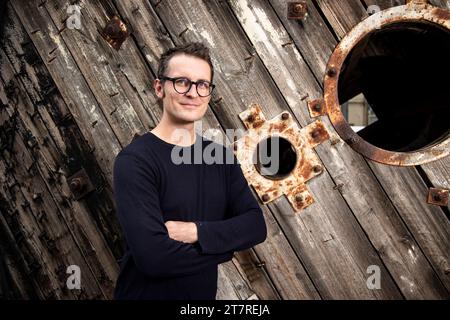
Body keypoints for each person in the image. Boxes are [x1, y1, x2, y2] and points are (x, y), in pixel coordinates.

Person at [112, 42, 267, 300]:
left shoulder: (220, 158)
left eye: (202, 85)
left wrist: (197, 232)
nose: (193, 93)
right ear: (159, 88)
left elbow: (255, 226)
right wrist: (225, 248)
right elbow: (154, 259)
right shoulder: (134, 161)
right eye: (181, 82)